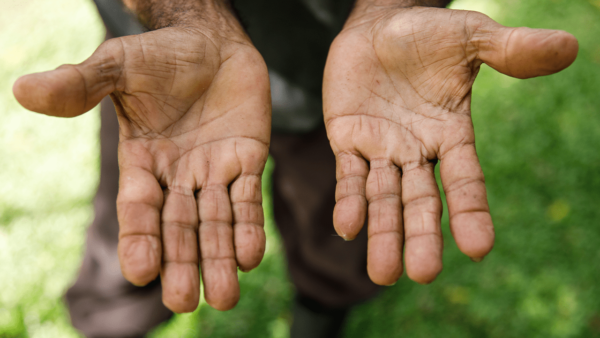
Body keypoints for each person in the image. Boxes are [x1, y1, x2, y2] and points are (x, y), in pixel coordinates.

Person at [12, 0, 578, 337]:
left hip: (354, 69)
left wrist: (396, 5)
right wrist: (183, 12)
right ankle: (117, 318)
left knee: (342, 224)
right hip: (165, 73)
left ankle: (321, 313)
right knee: (144, 228)